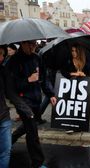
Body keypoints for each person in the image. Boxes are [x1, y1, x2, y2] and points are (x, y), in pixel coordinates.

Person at [5, 40, 56, 168]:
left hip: (36, 99)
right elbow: (11, 86)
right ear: (22, 44)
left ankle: (9, 140)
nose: (33, 46)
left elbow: (44, 78)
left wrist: (51, 94)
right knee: (32, 133)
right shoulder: (13, 61)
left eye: (34, 43)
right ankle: (37, 163)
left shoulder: (37, 58)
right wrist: (28, 80)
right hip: (23, 102)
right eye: (30, 44)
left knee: (29, 125)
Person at [0, 60, 11, 168]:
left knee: (6, 151)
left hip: (4, 117)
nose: (1, 57)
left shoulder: (3, 70)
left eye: (2, 54)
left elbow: (10, 92)